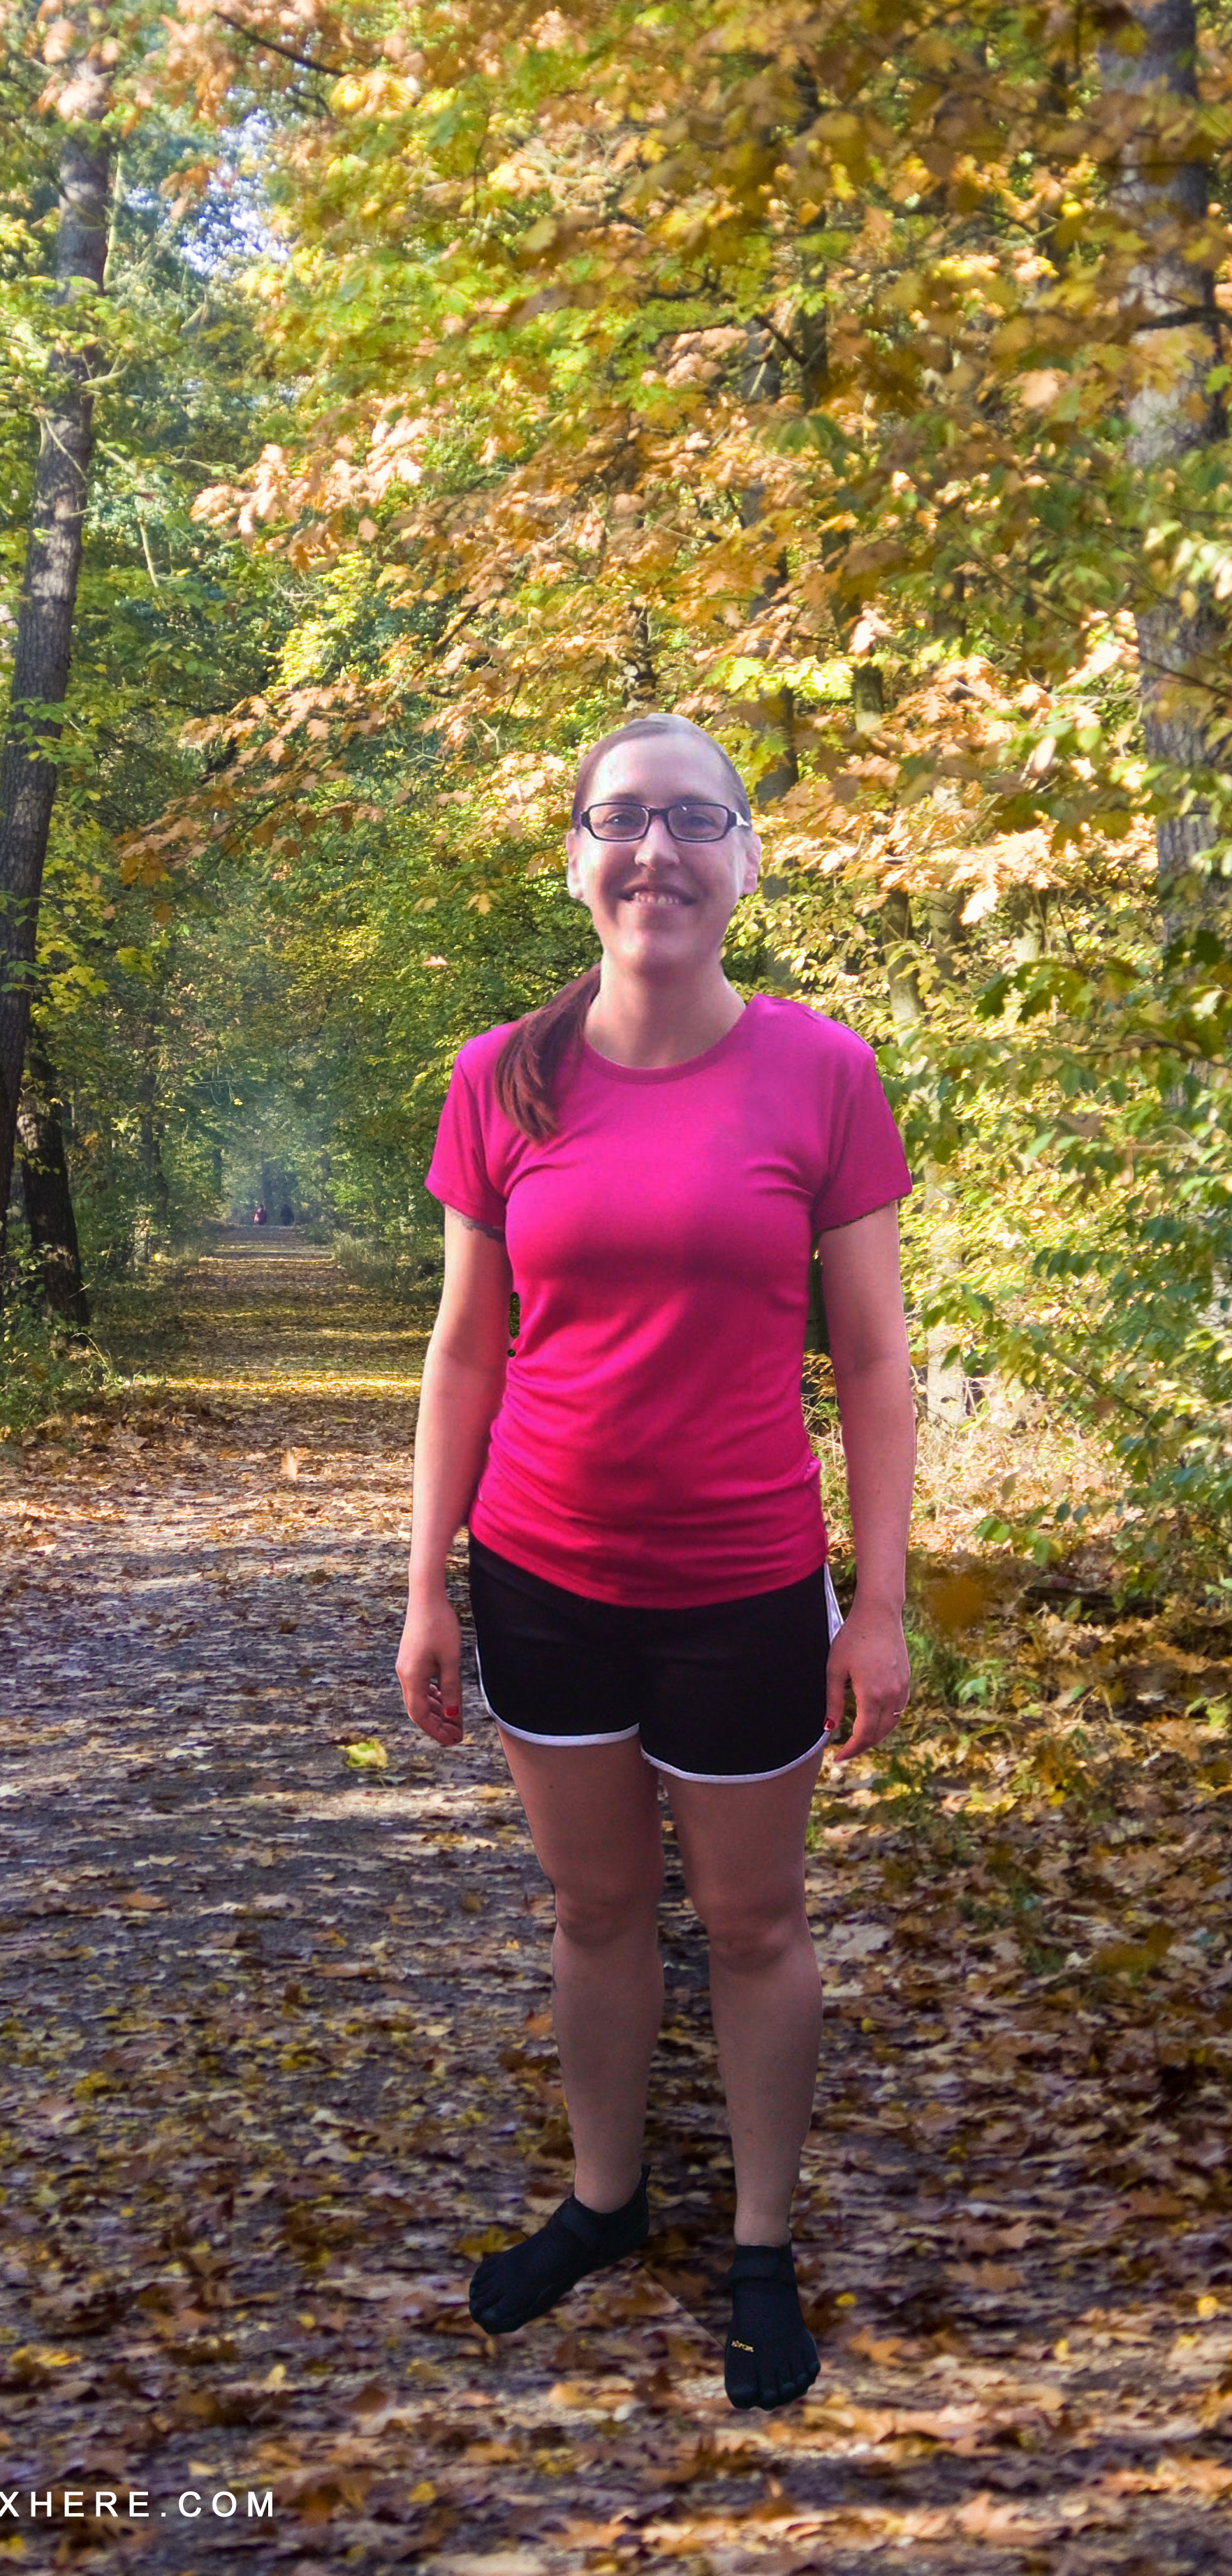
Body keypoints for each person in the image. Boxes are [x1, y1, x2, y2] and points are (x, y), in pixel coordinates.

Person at [396, 714, 916, 2413]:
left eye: (696, 820)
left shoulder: (822, 1072)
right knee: (599, 1907)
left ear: (744, 861)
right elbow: (467, 1351)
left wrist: (886, 1599)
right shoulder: (506, 1075)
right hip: (542, 1572)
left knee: (754, 1920)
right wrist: (425, 1585)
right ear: (575, 859)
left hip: (747, 1582)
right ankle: (607, 2206)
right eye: (621, 820)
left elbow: (877, 1365)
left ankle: (759, 2247)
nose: (657, 852)